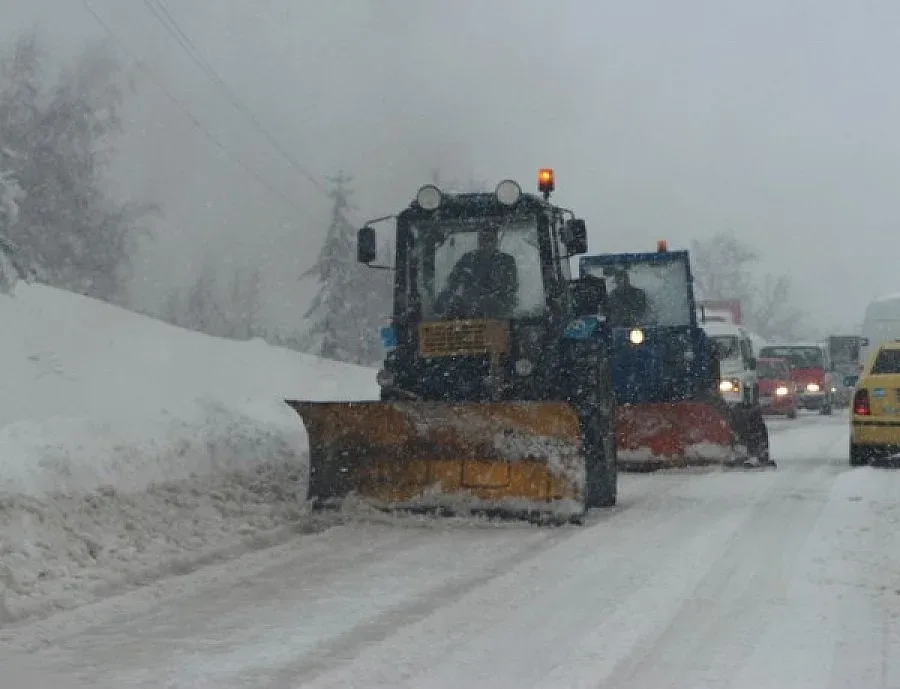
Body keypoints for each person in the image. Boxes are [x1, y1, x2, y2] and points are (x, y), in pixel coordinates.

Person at [434, 226, 519, 318]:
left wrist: (497, 303)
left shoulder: (506, 261)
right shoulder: (467, 259)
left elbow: (510, 289)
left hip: (498, 317)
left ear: (496, 241)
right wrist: (439, 307)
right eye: (483, 239)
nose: (487, 243)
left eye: (490, 239)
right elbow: (451, 284)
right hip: (469, 317)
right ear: (479, 241)